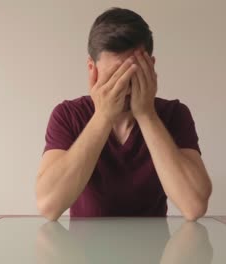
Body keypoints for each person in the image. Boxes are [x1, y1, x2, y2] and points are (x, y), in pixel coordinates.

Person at [36, 7, 212, 221]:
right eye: (114, 76)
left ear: (151, 67)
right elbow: (49, 206)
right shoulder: (67, 114)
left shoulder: (174, 114)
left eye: (133, 75)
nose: (124, 88)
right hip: (82, 252)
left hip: (152, 251)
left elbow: (194, 206)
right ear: (92, 69)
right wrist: (103, 116)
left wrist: (146, 114)